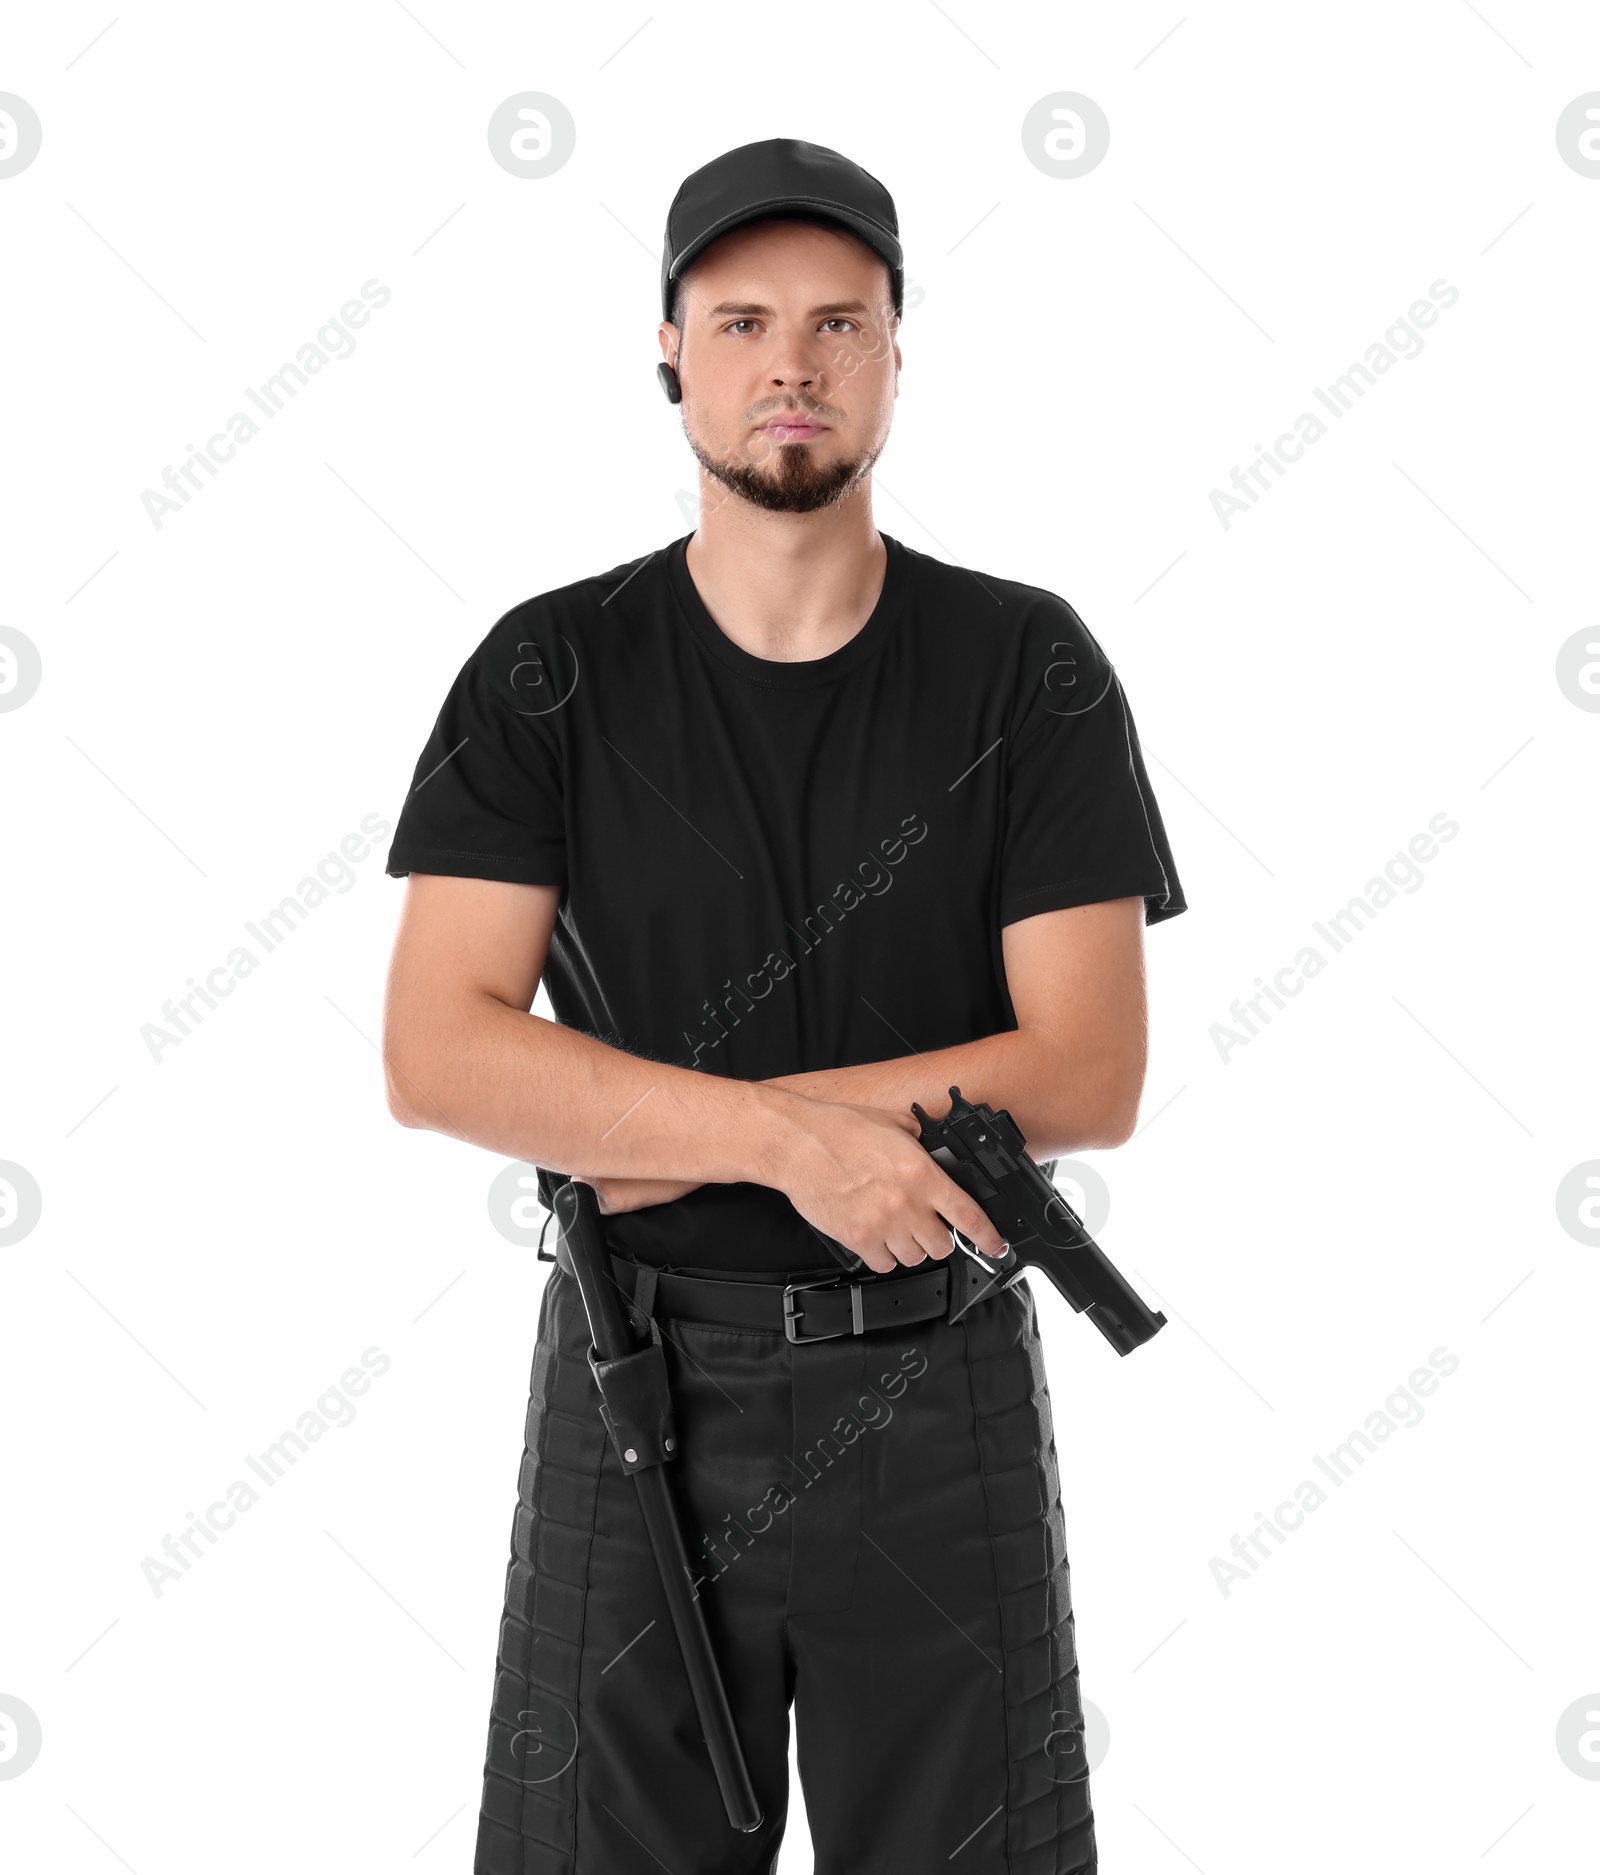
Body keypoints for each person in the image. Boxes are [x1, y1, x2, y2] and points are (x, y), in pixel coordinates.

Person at [382, 136, 1185, 1875]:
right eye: (741, 322)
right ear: (668, 350)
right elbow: (438, 1048)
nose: (791, 366)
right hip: (636, 1390)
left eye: (840, 322)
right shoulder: (549, 671)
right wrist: (778, 1143)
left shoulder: (1025, 666)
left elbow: (1091, 1067)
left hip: (936, 1395)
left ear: (899, 352)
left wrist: (648, 1132)